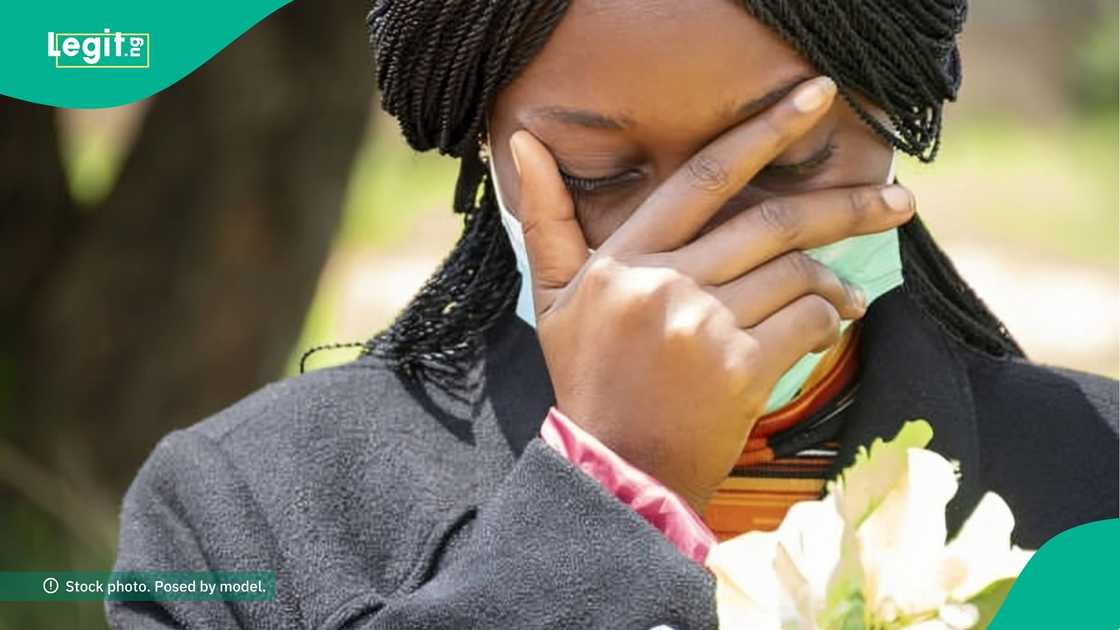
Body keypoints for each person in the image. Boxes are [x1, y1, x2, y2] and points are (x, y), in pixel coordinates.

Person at [108, 1, 1119, 628]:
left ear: (894, 111)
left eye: (787, 160)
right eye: (600, 174)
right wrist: (612, 487)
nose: (690, 247)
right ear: (485, 145)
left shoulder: (1097, 474)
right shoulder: (238, 510)